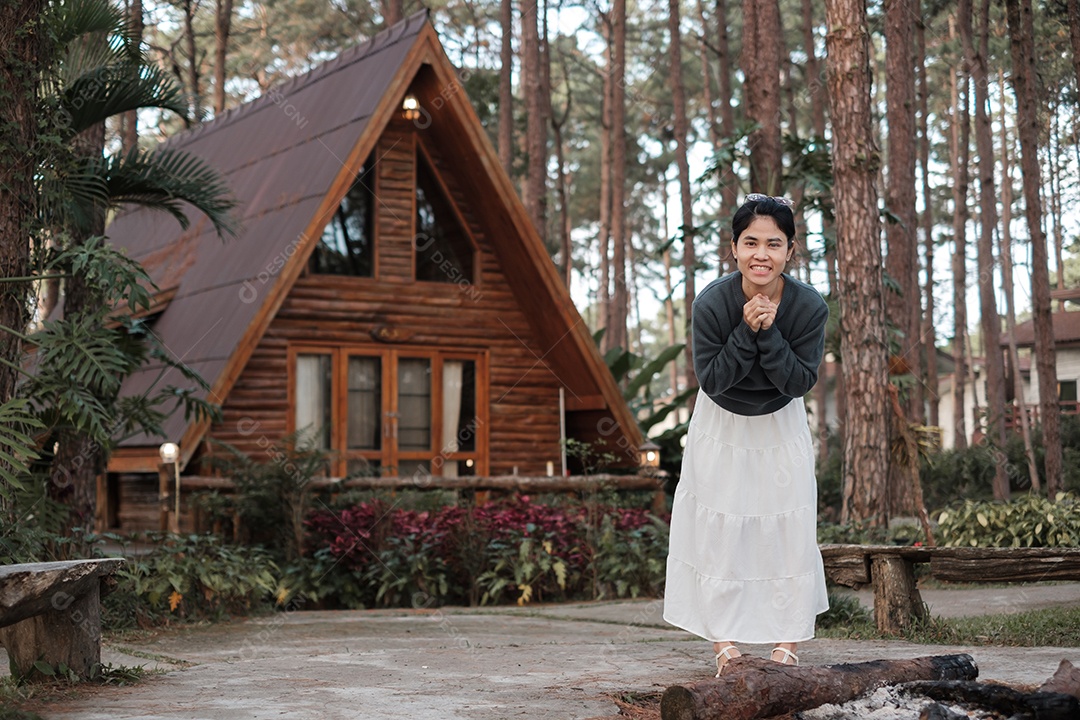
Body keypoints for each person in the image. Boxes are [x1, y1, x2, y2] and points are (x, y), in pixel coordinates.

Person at [663, 193, 830, 677]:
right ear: (734, 249)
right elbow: (713, 381)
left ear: (790, 251)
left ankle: (786, 643)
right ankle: (725, 645)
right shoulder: (712, 303)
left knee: (788, 529)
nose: (762, 254)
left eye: (774, 244)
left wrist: (770, 333)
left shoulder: (809, 307)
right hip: (721, 425)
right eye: (750, 242)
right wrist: (744, 329)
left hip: (782, 424)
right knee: (720, 530)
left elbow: (798, 382)